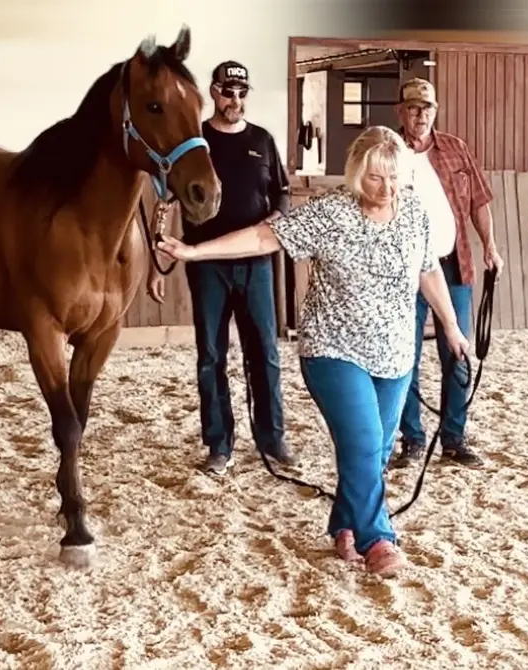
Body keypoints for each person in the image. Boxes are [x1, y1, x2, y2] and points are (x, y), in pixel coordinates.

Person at [156, 125, 470, 577]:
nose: (386, 188)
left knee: (377, 450)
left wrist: (453, 327)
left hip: (396, 353)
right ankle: (378, 540)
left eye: (394, 177)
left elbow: (427, 272)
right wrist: (194, 252)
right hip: (334, 348)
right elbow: (266, 237)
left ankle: (345, 522)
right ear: (358, 173)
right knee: (362, 443)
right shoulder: (331, 213)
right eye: (376, 178)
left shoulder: (416, 213)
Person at [149, 60, 294, 476]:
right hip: (206, 263)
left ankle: (272, 437)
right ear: (213, 92)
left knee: (264, 353)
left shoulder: (263, 141)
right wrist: (155, 265)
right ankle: (218, 444)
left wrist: (276, 221)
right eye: (228, 92)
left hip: (256, 263)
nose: (235, 100)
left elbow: (281, 195)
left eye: (242, 92)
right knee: (211, 355)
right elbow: (166, 201)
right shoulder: (197, 141)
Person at [389, 77, 504, 470]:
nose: (420, 115)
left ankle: (454, 437)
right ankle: (412, 438)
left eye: (427, 108)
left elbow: (479, 202)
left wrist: (489, 244)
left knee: (458, 351)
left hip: (453, 262)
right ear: (401, 112)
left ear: (435, 111)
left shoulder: (455, 149)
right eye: (413, 108)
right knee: (405, 354)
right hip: (404, 270)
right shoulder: (388, 151)